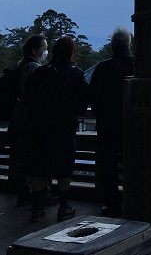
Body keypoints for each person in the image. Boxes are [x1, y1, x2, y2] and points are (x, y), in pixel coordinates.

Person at [25, 35, 89, 223]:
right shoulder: (76, 74)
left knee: (38, 168)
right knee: (64, 168)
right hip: (63, 128)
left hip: (38, 127)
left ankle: (37, 208)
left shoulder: (39, 72)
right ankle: (63, 206)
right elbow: (82, 104)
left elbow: (28, 98)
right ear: (71, 52)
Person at [89, 26, 135, 217]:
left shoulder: (103, 67)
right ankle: (134, 203)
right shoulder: (139, 65)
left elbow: (93, 96)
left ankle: (112, 204)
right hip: (134, 125)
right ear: (129, 44)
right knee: (134, 164)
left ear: (112, 46)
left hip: (108, 125)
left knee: (108, 167)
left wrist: (102, 114)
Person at [8, 34, 48, 206]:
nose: (46, 51)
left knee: (20, 155)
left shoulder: (20, 65)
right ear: (35, 50)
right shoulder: (34, 68)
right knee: (36, 155)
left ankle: (23, 192)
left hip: (17, 116)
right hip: (31, 118)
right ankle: (40, 193)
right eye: (44, 48)